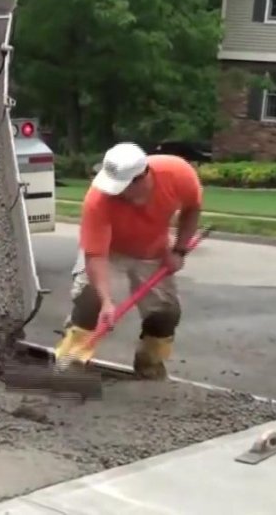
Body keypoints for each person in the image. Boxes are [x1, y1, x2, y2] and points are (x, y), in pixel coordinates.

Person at [56, 142, 203, 380]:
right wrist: (106, 301)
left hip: (152, 251)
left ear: (142, 178)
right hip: (109, 251)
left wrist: (179, 250)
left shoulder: (178, 174)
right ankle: (71, 360)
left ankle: (150, 363)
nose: (117, 193)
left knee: (165, 313)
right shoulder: (98, 198)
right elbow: (96, 255)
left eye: (123, 187)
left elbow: (193, 209)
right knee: (89, 301)